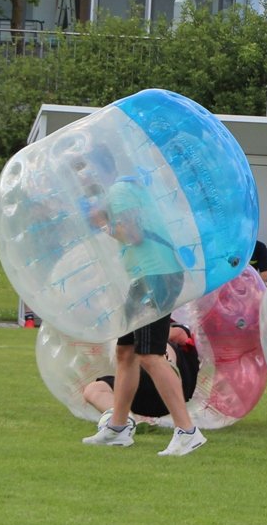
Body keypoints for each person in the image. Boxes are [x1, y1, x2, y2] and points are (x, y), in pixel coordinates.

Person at [76, 148, 205, 456]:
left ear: (101, 172)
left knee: (150, 355)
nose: (84, 182)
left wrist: (104, 225)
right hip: (147, 275)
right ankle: (118, 428)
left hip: (156, 274)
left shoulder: (120, 192)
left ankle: (187, 432)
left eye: (87, 173)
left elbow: (132, 234)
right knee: (126, 351)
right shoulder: (119, 194)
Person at [83, 323, 200, 424]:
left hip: (178, 387)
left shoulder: (175, 323)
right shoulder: (126, 326)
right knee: (93, 389)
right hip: (138, 390)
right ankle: (127, 420)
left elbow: (179, 334)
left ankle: (185, 429)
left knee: (155, 350)